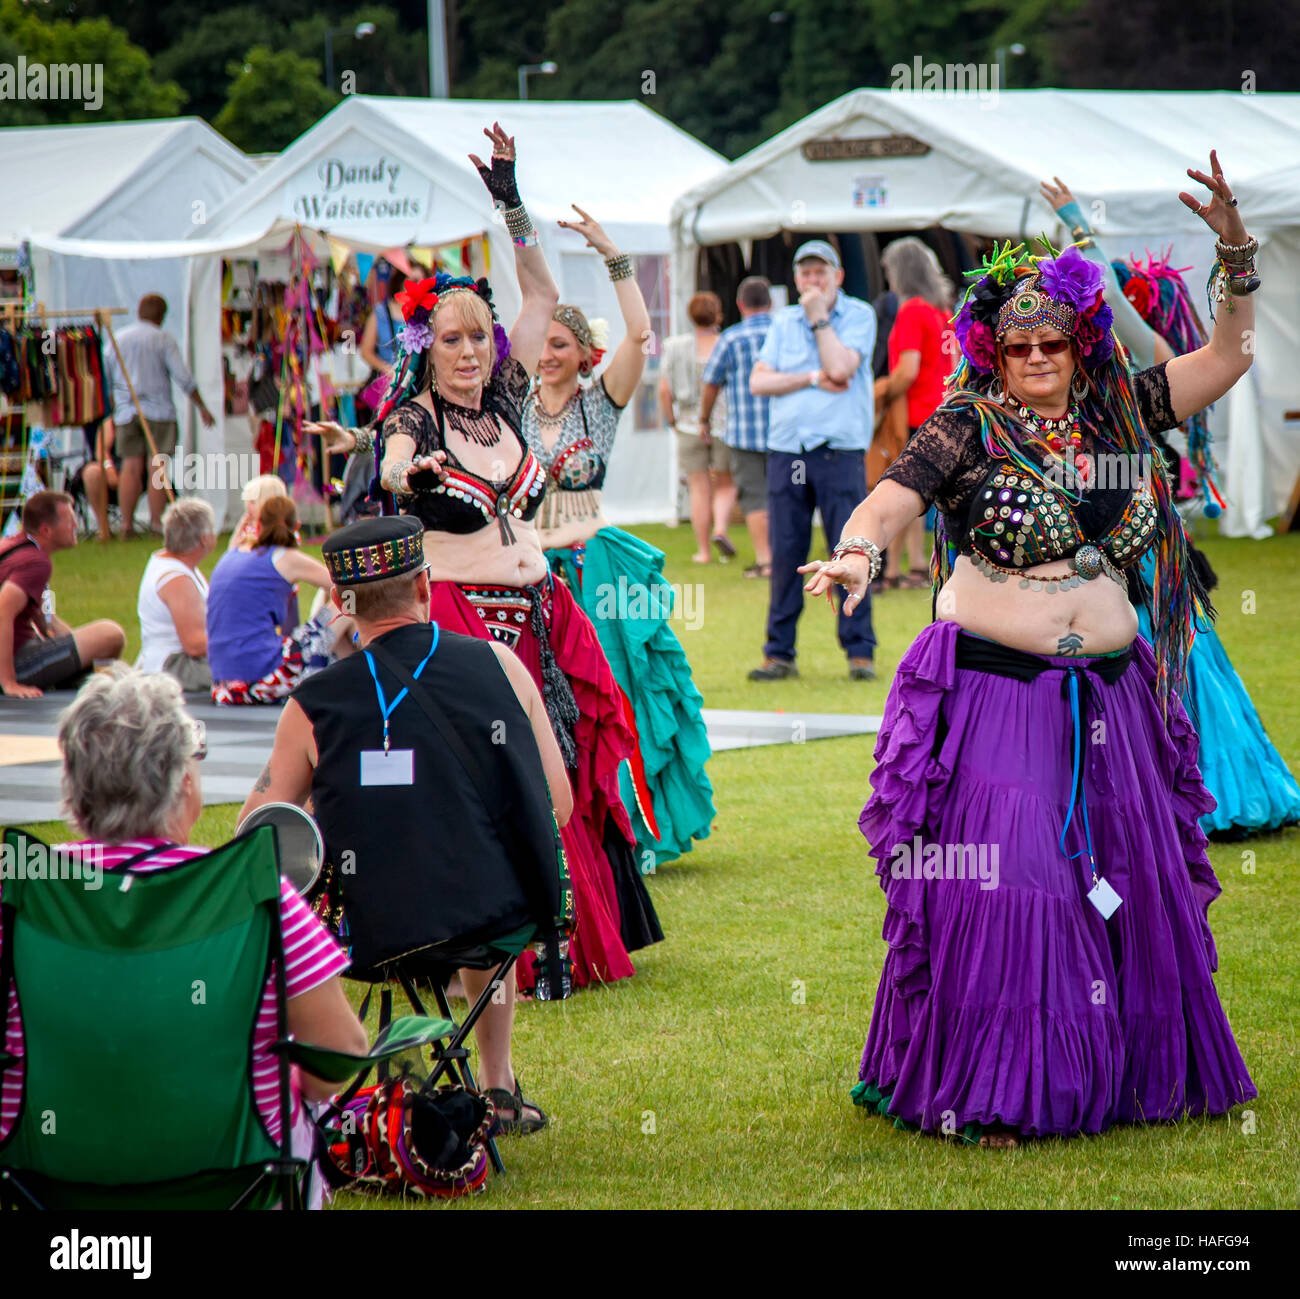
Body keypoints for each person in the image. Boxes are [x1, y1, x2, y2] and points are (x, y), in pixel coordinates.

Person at [805, 151, 1258, 1144]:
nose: (1039, 359)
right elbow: (893, 498)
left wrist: (1232, 250)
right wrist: (850, 550)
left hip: (1113, 699)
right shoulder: (965, 424)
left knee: (1125, 885)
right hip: (1001, 697)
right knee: (1011, 891)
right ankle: (997, 1089)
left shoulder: (1119, 412)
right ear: (991, 354)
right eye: (1018, 349)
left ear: (1078, 339)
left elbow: (1226, 358)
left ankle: (1132, 1075)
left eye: (1053, 341)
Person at [372, 121, 661, 992]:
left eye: (477, 338)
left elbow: (539, 285)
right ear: (427, 349)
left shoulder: (503, 398)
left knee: (566, 764)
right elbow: (389, 468)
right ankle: (503, 951)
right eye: (451, 341)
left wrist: (509, 198)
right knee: (493, 776)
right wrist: (405, 473)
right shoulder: (417, 422)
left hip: (543, 612)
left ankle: (568, 938)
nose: (468, 353)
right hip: (462, 622)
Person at [240, 516, 573, 1133]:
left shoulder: (314, 703)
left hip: (368, 931)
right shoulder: (500, 664)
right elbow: (559, 803)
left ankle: (343, 1080)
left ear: (341, 604)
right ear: (425, 585)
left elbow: (259, 831)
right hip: (496, 913)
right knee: (484, 868)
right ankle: (497, 1082)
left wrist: (336, 807)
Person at [0, 671, 368, 1206]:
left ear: (73, 786)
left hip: (51, 1192)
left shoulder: (19, 897)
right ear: (184, 783)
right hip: (238, 1188)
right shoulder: (256, 894)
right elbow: (339, 1054)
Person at [1043, 180, 1300, 837]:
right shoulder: (1032, 405)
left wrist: (1076, 222)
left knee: (1172, 666)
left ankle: (1187, 795)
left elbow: (1224, 352)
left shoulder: (1144, 375)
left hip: (1144, 557)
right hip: (1082, 567)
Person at [522, 212, 715, 871]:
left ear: (583, 354)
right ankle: (556, 824)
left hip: (591, 566)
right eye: (540, 344)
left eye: (559, 344)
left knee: (613, 694)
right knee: (543, 702)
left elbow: (640, 333)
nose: (545, 354)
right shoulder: (512, 409)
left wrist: (613, 256)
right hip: (526, 570)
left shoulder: (598, 405)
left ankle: (631, 830)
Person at [748, 239, 878, 682]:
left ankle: (860, 652)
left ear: (838, 276)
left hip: (839, 451)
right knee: (786, 553)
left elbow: (840, 368)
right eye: (805, 273)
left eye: (821, 272)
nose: (812, 280)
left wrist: (820, 318)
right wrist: (810, 378)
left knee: (851, 549)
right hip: (788, 450)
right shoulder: (782, 321)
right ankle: (778, 652)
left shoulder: (858, 315)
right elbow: (758, 383)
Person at [206, 496, 353, 705]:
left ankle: (359, 673)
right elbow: (346, 586)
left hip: (224, 687)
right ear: (297, 526)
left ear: (258, 525)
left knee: (329, 624)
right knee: (349, 603)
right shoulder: (284, 557)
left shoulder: (231, 554)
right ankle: (364, 673)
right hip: (263, 678)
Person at [102, 293, 217, 538]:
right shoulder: (162, 339)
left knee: (130, 467)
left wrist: (113, 405)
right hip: (159, 412)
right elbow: (183, 377)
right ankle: (156, 524)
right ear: (162, 316)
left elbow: (107, 378)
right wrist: (202, 406)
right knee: (157, 469)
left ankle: (126, 525)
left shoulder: (117, 339)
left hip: (126, 411)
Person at [874, 238, 954, 589]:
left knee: (901, 489)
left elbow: (907, 371)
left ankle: (898, 568)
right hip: (941, 410)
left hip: (913, 413)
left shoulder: (910, 311)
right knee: (923, 495)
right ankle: (913, 566)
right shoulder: (943, 310)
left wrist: (877, 393)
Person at [0, 490, 125, 698]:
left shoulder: (12, 545)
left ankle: (99, 682)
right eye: (70, 521)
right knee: (110, 635)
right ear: (47, 530)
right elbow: (3, 612)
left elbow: (46, 620)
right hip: (16, 664)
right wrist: (8, 682)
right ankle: (103, 691)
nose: (76, 525)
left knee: (98, 654)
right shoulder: (36, 563)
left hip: (22, 652)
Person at [699, 276, 774, 578]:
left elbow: (711, 384)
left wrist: (704, 419)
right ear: (771, 303)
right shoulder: (785, 332)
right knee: (786, 494)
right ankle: (785, 556)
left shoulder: (730, 338)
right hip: (786, 436)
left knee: (755, 497)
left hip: (744, 434)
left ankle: (766, 561)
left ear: (740, 304)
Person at [661, 293, 733, 564]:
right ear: (718, 315)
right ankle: (721, 528)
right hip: (725, 425)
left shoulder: (675, 346)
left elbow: (664, 389)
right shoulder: (726, 344)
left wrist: (672, 421)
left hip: (689, 424)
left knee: (698, 487)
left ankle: (703, 551)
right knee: (726, 483)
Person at [136, 497, 216, 692]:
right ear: (204, 539)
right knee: (248, 667)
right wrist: (238, 641)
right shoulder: (177, 580)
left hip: (164, 660)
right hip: (173, 665)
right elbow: (195, 645)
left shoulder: (171, 562)